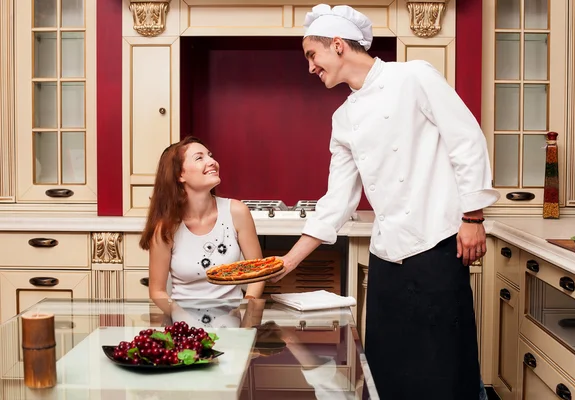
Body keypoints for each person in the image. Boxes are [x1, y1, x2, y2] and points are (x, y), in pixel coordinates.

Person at [272, 4, 500, 399]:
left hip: (436, 247)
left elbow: (467, 140)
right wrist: (287, 262)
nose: (310, 67)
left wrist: (473, 216)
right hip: (386, 258)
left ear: (339, 45)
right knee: (383, 369)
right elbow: (337, 200)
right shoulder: (343, 118)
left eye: (312, 55)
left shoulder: (413, 75)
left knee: (444, 369)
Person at [139, 136, 265, 316]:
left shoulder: (237, 211)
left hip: (232, 326)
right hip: (185, 330)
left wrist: (246, 313)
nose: (212, 162)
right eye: (199, 158)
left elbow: (258, 273)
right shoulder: (165, 228)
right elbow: (157, 291)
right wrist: (184, 323)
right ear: (179, 175)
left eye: (210, 155)